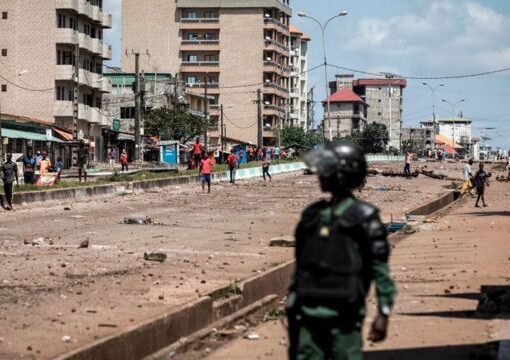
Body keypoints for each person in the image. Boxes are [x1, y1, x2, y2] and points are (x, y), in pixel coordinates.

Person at [287, 141, 396, 360]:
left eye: (327, 170)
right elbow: (301, 265)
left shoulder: (364, 218)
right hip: (308, 311)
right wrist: (292, 303)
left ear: (344, 174)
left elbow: (380, 270)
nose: (320, 175)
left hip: (345, 314)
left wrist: (383, 312)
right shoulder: (312, 216)